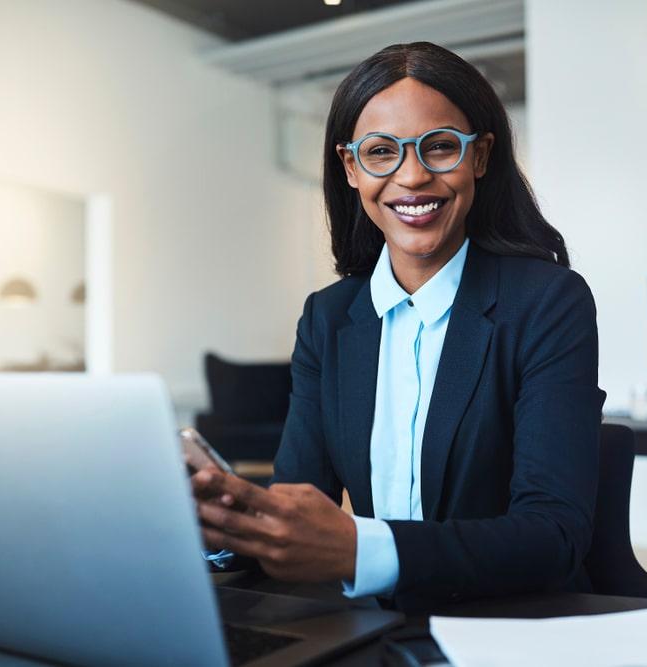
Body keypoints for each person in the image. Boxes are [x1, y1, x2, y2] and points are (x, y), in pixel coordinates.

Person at [192, 42, 606, 611]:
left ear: (480, 157)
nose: (412, 177)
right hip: (376, 627)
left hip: (509, 625)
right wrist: (220, 524)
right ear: (351, 168)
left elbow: (554, 536)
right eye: (381, 152)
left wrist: (359, 550)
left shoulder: (547, 303)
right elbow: (298, 502)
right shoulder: (327, 318)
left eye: (439, 147)